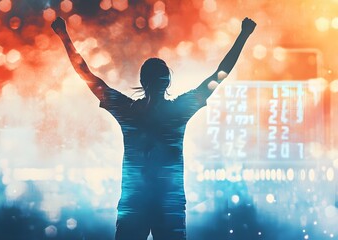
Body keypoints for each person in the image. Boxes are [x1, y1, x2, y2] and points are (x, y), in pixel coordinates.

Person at [51, 16, 256, 240]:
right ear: (167, 82)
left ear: (142, 81)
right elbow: (220, 74)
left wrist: (64, 36)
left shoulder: (128, 110)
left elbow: (86, 74)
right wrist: (243, 35)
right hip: (168, 204)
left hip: (136, 202)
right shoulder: (177, 110)